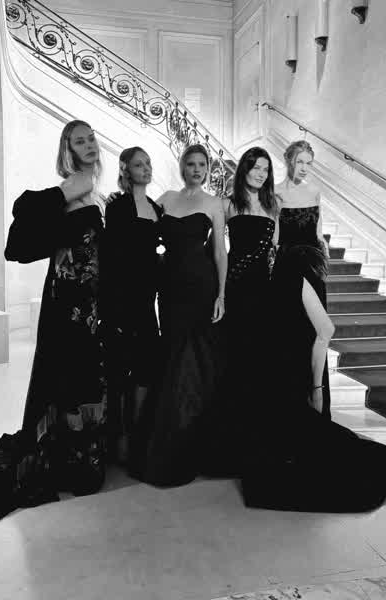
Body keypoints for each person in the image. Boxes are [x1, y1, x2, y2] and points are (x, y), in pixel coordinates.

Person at [0, 120, 107, 527]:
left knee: (83, 372)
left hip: (90, 298)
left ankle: (82, 456)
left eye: (90, 138)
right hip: (69, 297)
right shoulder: (77, 183)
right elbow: (28, 218)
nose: (88, 144)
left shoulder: (95, 189)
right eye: (79, 141)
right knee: (73, 373)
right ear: (68, 149)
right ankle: (73, 462)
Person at [240, 245, 386, 512]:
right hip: (280, 381)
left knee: (299, 443)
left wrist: (314, 386)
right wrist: (315, 387)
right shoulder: (291, 280)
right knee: (310, 443)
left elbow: (321, 331)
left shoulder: (271, 282)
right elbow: (325, 330)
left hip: (271, 382)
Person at [141, 143, 227, 487]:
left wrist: (222, 294)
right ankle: (165, 440)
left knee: (192, 360)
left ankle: (187, 443)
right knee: (171, 354)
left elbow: (220, 253)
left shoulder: (214, 203)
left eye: (202, 164)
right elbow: (144, 234)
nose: (196, 169)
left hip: (201, 287)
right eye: (191, 164)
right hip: (170, 288)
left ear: (208, 169)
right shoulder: (166, 199)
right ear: (182, 166)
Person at [201, 147, 279, 477]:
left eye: (265, 169)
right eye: (255, 167)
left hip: (263, 293)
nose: (260, 173)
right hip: (235, 290)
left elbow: (276, 253)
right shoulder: (227, 204)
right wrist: (217, 293)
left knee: (259, 364)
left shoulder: (274, 206)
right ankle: (230, 444)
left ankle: (257, 439)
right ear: (244, 169)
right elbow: (214, 251)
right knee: (234, 362)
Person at [99, 147, 161, 470]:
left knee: (146, 365)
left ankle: (137, 433)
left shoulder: (157, 208)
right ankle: (120, 437)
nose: (146, 168)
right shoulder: (117, 206)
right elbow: (112, 257)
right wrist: (112, 305)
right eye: (139, 164)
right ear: (126, 170)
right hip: (122, 299)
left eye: (148, 163)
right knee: (121, 367)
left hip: (147, 300)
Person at [275, 140, 332, 418]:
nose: (304, 168)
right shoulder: (275, 194)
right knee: (293, 333)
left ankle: (317, 404)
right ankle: (295, 405)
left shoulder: (314, 192)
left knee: (316, 332)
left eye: (309, 163)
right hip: (289, 268)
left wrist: (324, 252)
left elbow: (318, 234)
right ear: (289, 161)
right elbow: (274, 239)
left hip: (313, 269)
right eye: (300, 162)